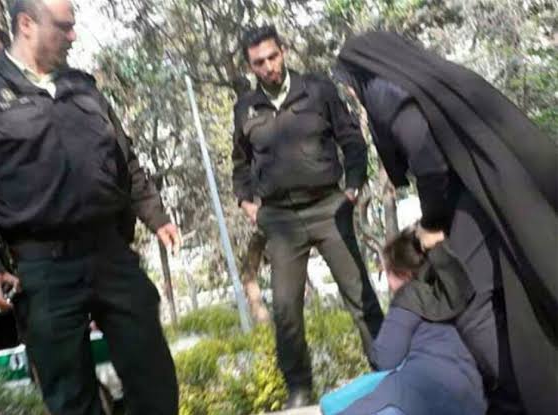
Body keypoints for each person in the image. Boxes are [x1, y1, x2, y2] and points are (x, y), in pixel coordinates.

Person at [0, 1, 180, 414]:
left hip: (110, 254)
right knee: (71, 399)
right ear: (26, 24)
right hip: (42, 268)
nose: (73, 36)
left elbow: (124, 160)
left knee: (155, 379)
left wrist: (155, 216)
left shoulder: (83, 87)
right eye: (64, 27)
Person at [335, 31, 557, 415]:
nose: (353, 94)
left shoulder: (384, 92)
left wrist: (432, 222)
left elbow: (427, 157)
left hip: (468, 205)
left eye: (350, 85)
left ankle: (515, 397)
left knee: (471, 305)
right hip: (486, 198)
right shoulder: (424, 81)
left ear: (361, 72)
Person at [231, 25, 383, 408]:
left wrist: (353, 186)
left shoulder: (317, 89)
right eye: (259, 62)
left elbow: (351, 138)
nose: (268, 67)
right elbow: (241, 164)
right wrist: (247, 203)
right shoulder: (246, 108)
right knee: (286, 310)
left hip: (328, 208)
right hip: (280, 220)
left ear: (283, 51)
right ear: (250, 66)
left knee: (360, 296)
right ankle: (299, 391)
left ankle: (387, 369)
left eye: (273, 56)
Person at [328, 228, 486, 415]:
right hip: (472, 402)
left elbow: (385, 359)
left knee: (333, 404)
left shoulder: (410, 297)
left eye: (386, 272)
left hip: (417, 397)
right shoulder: (451, 295)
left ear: (401, 273)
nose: (387, 283)